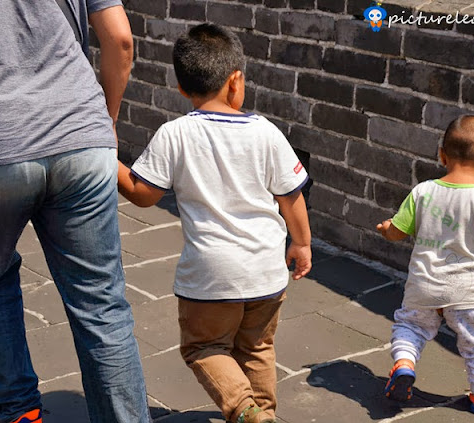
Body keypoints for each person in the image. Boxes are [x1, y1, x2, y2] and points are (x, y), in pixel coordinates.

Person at [0, 1, 152, 422]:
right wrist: (102, 123)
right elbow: (121, 39)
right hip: (79, 137)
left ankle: (16, 412)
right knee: (101, 304)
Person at [118, 23, 312, 423]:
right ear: (236, 81)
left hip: (210, 277)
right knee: (257, 348)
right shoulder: (266, 132)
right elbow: (291, 196)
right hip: (266, 270)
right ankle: (265, 414)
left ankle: (244, 410)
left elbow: (142, 193)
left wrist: (106, 157)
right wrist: (302, 244)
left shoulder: (175, 134)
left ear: (183, 91)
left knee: (203, 348)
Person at [376, 115, 474, 416]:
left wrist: (387, 228)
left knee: (410, 326)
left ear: (442, 155)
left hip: (422, 286)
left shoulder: (422, 191)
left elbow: (398, 231)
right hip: (466, 293)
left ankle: (405, 363)